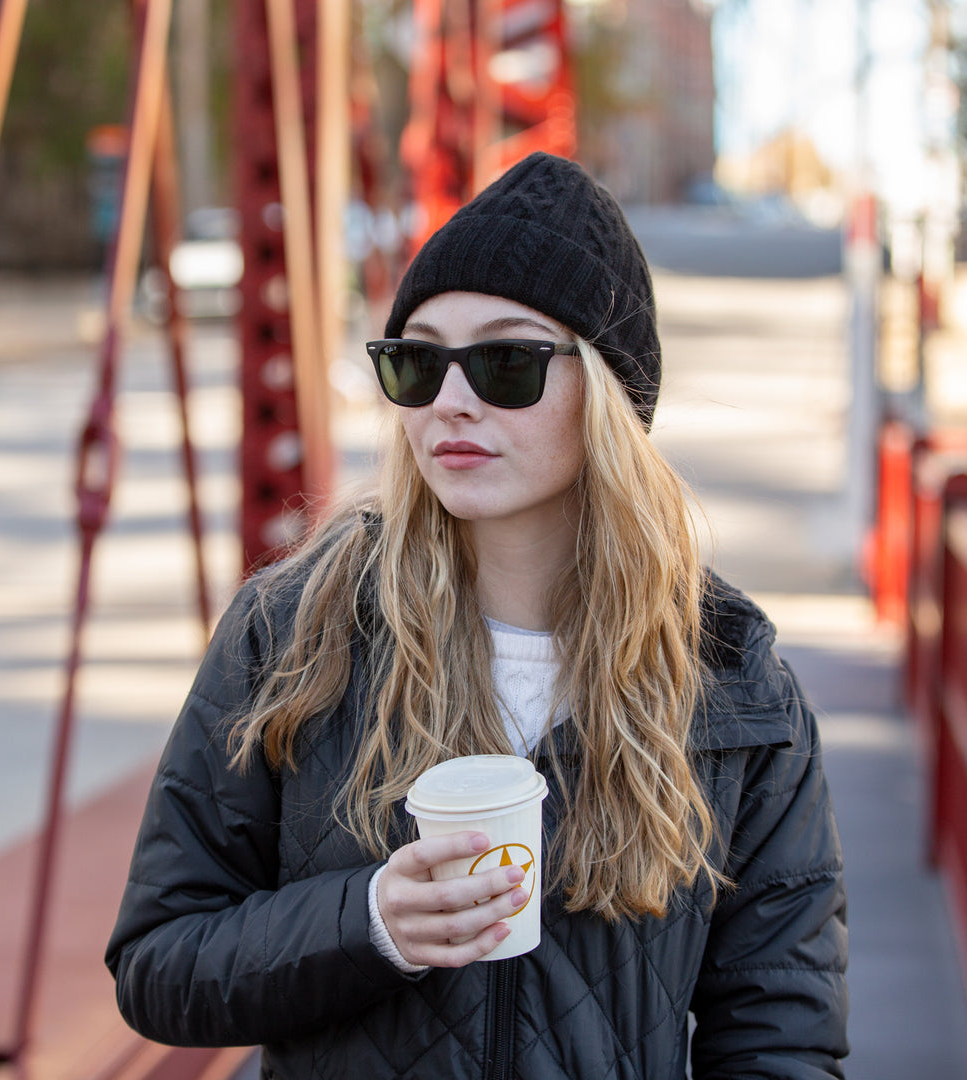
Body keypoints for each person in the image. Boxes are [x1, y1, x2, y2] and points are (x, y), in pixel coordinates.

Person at [106, 152, 848, 1079]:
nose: (450, 402)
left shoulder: (728, 676)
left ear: (609, 395)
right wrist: (367, 922)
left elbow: (781, 1035)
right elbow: (158, 962)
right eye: (416, 364)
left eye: (506, 361)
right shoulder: (297, 633)